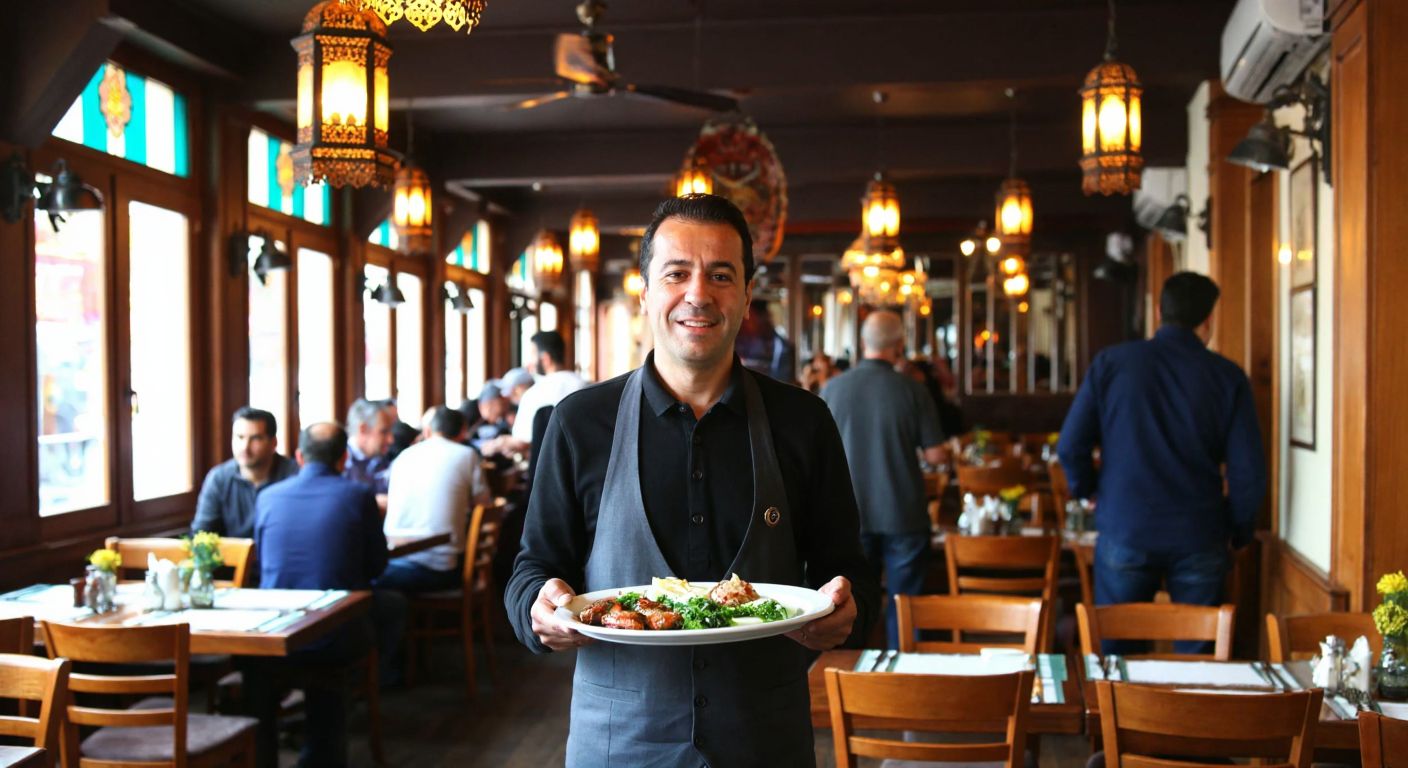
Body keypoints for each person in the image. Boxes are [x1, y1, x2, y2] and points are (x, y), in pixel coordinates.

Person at [505, 193, 877, 767]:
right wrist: (538, 607)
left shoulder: (803, 421)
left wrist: (848, 612)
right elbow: (532, 569)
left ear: (748, 294)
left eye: (721, 275)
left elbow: (849, 569)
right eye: (676, 273)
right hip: (619, 743)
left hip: (764, 740)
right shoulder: (580, 422)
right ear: (646, 292)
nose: (698, 294)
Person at [1058, 272, 1266, 654]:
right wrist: (1239, 531)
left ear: (1158, 311)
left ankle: (1119, 714)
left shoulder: (1112, 364)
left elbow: (1070, 445)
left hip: (1126, 524)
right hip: (1199, 530)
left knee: (1116, 660)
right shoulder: (1228, 377)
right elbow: (1247, 471)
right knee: (1198, 664)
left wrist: (1088, 492)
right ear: (1208, 321)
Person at [247, 422, 390, 768]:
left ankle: (261, 757)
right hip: (333, 636)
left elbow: (263, 563)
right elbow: (376, 565)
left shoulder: (267, 497)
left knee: (257, 676)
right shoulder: (358, 497)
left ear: (298, 456)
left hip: (273, 634)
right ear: (343, 459)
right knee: (369, 623)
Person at [821, 311, 945, 649]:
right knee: (907, 608)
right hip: (903, 511)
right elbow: (936, 456)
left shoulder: (832, 389)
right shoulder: (913, 390)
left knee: (852, 606)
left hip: (849, 516)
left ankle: (854, 685)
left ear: (863, 343)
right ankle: (905, 684)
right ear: (899, 345)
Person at [381, 406, 490, 592]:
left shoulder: (403, 456)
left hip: (397, 559)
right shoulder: (467, 455)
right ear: (463, 432)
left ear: (428, 430)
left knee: (369, 581)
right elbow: (484, 504)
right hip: (443, 566)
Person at [190, 407, 297, 538]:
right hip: (232, 557)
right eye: (240, 437)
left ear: (273, 443)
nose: (245, 447)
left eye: (256, 438)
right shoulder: (219, 478)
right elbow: (201, 535)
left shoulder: (294, 475)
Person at [483, 331, 587, 458]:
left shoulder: (535, 394)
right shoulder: (586, 386)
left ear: (546, 359)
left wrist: (496, 444)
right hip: (586, 463)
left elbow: (521, 441)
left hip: (551, 468)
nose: (528, 363)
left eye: (532, 354)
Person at [344, 398, 393, 512]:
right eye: (384, 432)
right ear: (363, 429)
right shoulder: (339, 462)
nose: (391, 439)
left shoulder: (382, 458)